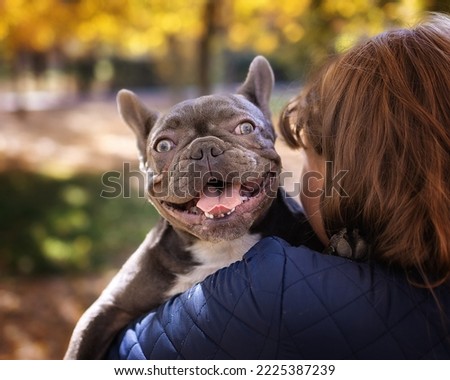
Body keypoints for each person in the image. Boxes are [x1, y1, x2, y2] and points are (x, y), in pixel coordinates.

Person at [107, 13, 450, 359]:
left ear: (357, 177)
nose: (207, 154)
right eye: (165, 145)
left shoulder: (268, 287)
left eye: (243, 128)